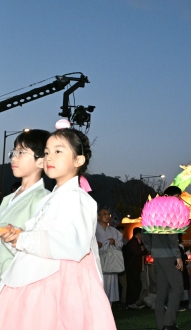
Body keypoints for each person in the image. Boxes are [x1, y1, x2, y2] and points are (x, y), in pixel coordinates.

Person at [0, 127, 116, 329]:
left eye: (58, 151)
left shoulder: (78, 197)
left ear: (78, 161)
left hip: (60, 285)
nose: (49, 158)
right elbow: (36, 244)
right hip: (40, 279)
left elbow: (73, 244)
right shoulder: (52, 198)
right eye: (46, 153)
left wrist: (22, 239)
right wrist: (15, 238)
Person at [0, 129, 51, 281]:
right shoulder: (7, 198)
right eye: (14, 152)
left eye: (22, 153)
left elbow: (42, 248)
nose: (14, 158)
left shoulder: (44, 198)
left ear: (41, 160)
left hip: (16, 280)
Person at [142, 185, 184, 330]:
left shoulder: (153, 211)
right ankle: (168, 323)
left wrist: (152, 249)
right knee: (178, 288)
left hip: (157, 257)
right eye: (179, 197)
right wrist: (178, 256)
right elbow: (173, 238)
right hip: (169, 256)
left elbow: (144, 234)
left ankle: (162, 325)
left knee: (161, 292)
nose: (180, 200)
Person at [96, 207, 123, 304]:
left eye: (108, 214)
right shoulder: (92, 229)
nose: (107, 216)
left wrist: (114, 242)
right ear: (98, 216)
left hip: (110, 262)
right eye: (104, 214)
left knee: (110, 288)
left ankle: (109, 309)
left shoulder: (113, 231)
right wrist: (95, 244)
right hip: (97, 262)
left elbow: (120, 244)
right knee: (98, 286)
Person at [123, 227, 147, 309]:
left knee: (135, 285)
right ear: (138, 234)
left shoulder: (137, 242)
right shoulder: (133, 242)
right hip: (132, 267)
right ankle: (131, 302)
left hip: (134, 267)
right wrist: (145, 251)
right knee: (134, 285)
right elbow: (137, 253)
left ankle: (132, 302)